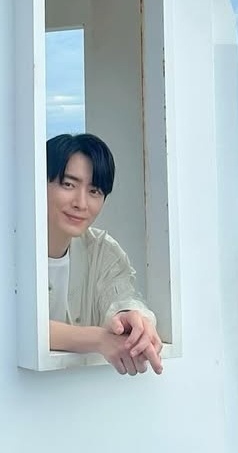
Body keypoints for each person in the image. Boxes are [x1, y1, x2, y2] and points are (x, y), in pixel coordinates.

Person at [46, 133, 163, 376]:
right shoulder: (1, 251)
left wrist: (132, 321)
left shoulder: (101, 250)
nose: (81, 203)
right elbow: (9, 326)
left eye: (94, 191)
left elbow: (123, 297)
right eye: (68, 185)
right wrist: (98, 338)